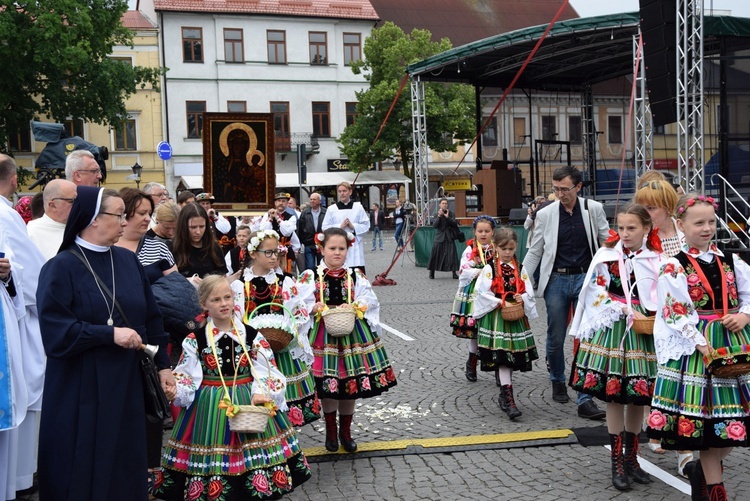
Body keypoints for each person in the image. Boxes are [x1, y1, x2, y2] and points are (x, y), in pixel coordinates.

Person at [36, 186, 173, 500]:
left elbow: (151, 319)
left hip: (126, 383)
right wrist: (108, 334)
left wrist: (164, 366)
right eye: (118, 215)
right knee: (83, 462)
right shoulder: (60, 268)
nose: (125, 223)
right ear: (93, 219)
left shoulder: (127, 261)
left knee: (125, 462)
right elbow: (56, 334)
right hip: (80, 388)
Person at [156, 275, 311, 500]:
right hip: (210, 407)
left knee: (254, 459)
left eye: (227, 297)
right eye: (216, 299)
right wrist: (175, 390)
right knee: (215, 462)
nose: (224, 303)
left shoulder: (251, 335)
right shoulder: (196, 339)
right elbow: (187, 375)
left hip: (249, 401)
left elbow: (268, 370)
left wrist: (261, 392)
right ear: (204, 305)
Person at [646, 194, 750, 501]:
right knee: (708, 426)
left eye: (711, 222)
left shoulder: (731, 260)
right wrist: (701, 344)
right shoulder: (673, 266)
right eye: (698, 223)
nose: (706, 228)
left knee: (732, 427)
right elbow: (675, 310)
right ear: (680, 225)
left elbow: (746, 294)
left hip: (734, 343)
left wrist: (744, 315)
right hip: (699, 349)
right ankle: (715, 493)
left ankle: (700, 475)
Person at [569, 204, 661, 491]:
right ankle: (617, 461)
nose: (625, 233)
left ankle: (632, 457)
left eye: (631, 228)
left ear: (646, 228)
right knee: (614, 395)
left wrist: (650, 310)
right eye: (621, 228)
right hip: (613, 330)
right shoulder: (607, 256)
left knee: (638, 395)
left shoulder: (656, 259)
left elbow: (665, 293)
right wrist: (619, 307)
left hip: (643, 331)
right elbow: (594, 290)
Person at [521, 165, 609, 420]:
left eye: (565, 189)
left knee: (587, 336)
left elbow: (606, 242)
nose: (560, 194)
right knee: (555, 336)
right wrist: (521, 280)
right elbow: (535, 250)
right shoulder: (546, 214)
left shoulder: (593, 209)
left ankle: (584, 396)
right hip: (556, 279)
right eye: (556, 189)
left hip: (586, 278)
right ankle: (557, 379)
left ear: (578, 187)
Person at [297, 228, 397, 452]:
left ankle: (346, 432)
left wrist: (355, 306)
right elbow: (297, 302)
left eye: (342, 249)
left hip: (351, 334)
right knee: (328, 386)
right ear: (321, 249)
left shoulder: (355, 275)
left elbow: (368, 298)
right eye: (332, 248)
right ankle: (331, 432)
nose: (337, 253)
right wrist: (312, 307)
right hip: (322, 336)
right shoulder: (310, 276)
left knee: (349, 385)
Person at [633, 176, 693, 472]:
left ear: (669, 207)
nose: (647, 213)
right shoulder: (642, 240)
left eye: (652, 208)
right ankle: (653, 420)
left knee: (682, 382)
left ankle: (685, 450)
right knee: (656, 376)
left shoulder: (686, 235)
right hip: (653, 318)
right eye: (642, 207)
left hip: (685, 319)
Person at [0, 154, 46, 498]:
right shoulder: (5, 213)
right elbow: (32, 274)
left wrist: (9, 278)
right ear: (14, 180)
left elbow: (17, 271)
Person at [240, 230, 320, 425]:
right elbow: (235, 318)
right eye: (268, 252)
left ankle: (286, 438)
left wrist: (289, 333)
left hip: (281, 348)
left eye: (276, 251)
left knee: (286, 404)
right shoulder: (240, 285)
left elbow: (298, 313)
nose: (274, 256)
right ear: (253, 254)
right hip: (253, 355)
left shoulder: (285, 282)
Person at [472, 227, 538, 420]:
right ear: (496, 247)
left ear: (516, 247)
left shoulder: (520, 267)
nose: (508, 252)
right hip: (497, 319)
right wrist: (499, 301)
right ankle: (508, 398)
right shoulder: (489, 268)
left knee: (510, 357)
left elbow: (529, 290)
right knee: (502, 358)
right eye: (504, 248)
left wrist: (522, 296)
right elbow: (481, 293)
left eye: (511, 248)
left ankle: (504, 393)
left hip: (515, 317)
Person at [450, 215, 496, 382]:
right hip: (474, 294)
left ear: (493, 232)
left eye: (487, 231)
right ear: (475, 232)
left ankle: (499, 368)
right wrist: (480, 271)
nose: (483, 234)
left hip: (493, 292)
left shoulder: (497, 249)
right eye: (480, 231)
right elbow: (464, 271)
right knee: (475, 330)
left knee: (494, 329)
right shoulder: (470, 250)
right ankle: (472, 362)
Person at [321, 182, 370, 274]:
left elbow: (366, 225)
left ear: (350, 192)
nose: (342, 193)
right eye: (339, 191)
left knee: (356, 274)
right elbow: (325, 227)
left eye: (344, 191)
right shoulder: (331, 209)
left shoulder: (358, 207)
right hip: (338, 244)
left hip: (355, 246)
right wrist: (340, 227)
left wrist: (353, 226)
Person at [173, 202, 228, 283]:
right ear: (183, 226)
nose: (198, 232)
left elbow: (223, 276)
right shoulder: (173, 249)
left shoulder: (214, 248)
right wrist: (187, 280)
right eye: (193, 227)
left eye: (202, 226)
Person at [27, 179, 77, 260]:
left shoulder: (82, 229)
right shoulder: (31, 234)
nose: (78, 205)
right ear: (53, 205)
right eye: (72, 201)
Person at [256, 193, 300, 275]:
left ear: (287, 204)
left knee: (287, 274)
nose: (281, 203)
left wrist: (277, 218)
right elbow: (263, 231)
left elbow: (286, 232)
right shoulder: (267, 215)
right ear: (275, 203)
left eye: (283, 201)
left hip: (285, 252)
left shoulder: (292, 217)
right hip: (270, 251)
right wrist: (270, 218)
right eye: (279, 201)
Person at [428, 198, 460, 280]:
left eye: (446, 203)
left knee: (452, 255)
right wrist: (439, 217)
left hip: (449, 236)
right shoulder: (436, 213)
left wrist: (447, 217)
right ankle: (432, 272)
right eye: (443, 203)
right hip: (439, 237)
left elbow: (454, 224)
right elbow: (435, 225)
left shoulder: (451, 213)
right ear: (439, 204)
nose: (444, 205)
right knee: (435, 255)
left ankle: (454, 273)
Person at [297, 192, 326, 272]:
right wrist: (302, 241)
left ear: (320, 201)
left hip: (322, 244)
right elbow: (300, 228)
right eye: (311, 199)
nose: (312, 201)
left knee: (323, 266)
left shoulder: (325, 212)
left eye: (314, 199)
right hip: (309, 243)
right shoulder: (305, 213)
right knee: (310, 267)